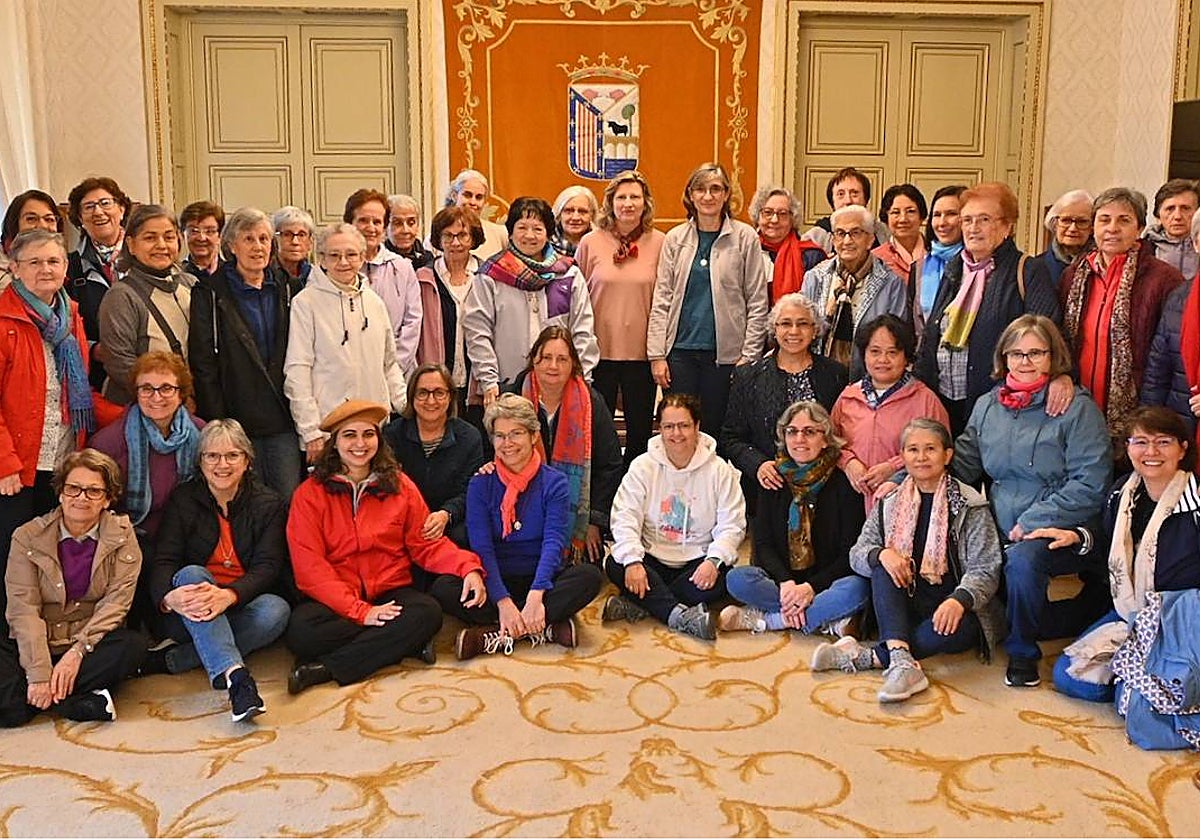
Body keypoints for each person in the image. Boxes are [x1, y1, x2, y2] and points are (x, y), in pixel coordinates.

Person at [949, 315, 1112, 688]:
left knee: (1022, 562)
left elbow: (1091, 482)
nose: (1025, 362)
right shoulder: (988, 406)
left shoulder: (1076, 408)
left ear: (1053, 357)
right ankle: (1080, 613)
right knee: (998, 597)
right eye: (1016, 353)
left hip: (1067, 523)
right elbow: (962, 463)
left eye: (1035, 353)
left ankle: (1023, 654)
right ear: (1003, 358)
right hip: (1004, 521)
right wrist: (907, 475)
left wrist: (1037, 518)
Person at [284, 400, 486, 694]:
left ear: (379, 440)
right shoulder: (309, 495)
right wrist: (361, 611)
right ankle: (404, 643)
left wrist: (467, 567)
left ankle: (324, 669)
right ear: (335, 443)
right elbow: (310, 570)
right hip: (339, 597)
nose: (360, 444)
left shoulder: (400, 485)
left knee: (428, 613)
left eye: (368, 434)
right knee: (301, 632)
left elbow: (425, 544)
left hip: (391, 591)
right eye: (349, 435)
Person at [812, 418, 1005, 703]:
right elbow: (858, 553)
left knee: (947, 633)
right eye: (913, 450)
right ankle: (901, 661)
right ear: (902, 457)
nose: (922, 457)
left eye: (931, 449)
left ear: (947, 455)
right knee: (882, 563)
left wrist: (959, 600)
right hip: (906, 597)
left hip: (954, 604)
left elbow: (986, 567)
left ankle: (869, 656)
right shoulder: (890, 501)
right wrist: (882, 554)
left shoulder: (970, 505)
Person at [430, 394, 604, 659]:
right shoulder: (481, 482)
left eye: (516, 434)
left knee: (589, 577)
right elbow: (482, 547)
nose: (507, 444)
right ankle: (542, 627)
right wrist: (502, 600)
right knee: (443, 587)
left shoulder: (554, 481)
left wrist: (536, 595)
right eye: (499, 436)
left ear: (533, 435)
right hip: (496, 576)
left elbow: (554, 543)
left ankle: (491, 634)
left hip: (541, 578)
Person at [1052, 407, 1200, 703]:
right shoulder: (1123, 492)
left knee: (1138, 693)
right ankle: (1141, 682)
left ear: (1182, 449)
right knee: (1070, 676)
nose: (1151, 451)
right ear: (1128, 448)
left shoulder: (1195, 503)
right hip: (1131, 611)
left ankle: (1144, 684)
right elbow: (1106, 539)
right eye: (1141, 442)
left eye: (1163, 442)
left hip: (1184, 621)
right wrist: (1077, 536)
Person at [145, 420, 290, 722]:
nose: (221, 464)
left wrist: (229, 595)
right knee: (193, 574)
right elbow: (164, 560)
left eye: (232, 456)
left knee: (276, 611)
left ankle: (176, 659)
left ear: (247, 460)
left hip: (239, 603)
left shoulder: (269, 503)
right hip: (189, 611)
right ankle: (238, 678)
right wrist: (168, 599)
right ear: (200, 462)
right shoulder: (184, 499)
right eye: (212, 456)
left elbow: (268, 566)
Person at [1, 449, 146, 726]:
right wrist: (40, 673)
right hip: (38, 638)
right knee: (10, 713)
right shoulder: (27, 536)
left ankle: (51, 696)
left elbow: (116, 605)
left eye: (93, 491)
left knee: (132, 646)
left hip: (89, 641)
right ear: (60, 494)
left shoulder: (123, 537)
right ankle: (74, 701)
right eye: (74, 489)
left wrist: (77, 652)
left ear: (107, 500)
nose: (81, 497)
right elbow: (24, 610)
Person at [914, 181, 1064, 435]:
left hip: (1000, 403)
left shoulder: (1027, 270)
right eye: (967, 220)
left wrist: (1061, 376)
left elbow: (1047, 335)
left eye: (984, 219)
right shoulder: (955, 269)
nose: (973, 228)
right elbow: (933, 333)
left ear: (1006, 226)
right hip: (945, 400)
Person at [0, 230, 97, 618]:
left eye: (53, 261)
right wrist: (5, 463)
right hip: (17, 466)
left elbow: (79, 389)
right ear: (15, 269)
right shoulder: (4, 318)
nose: (45, 269)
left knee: (48, 559)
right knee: (13, 563)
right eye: (35, 262)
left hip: (62, 458)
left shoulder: (68, 315)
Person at [719, 400, 868, 637]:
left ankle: (772, 620)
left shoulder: (843, 485)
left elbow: (848, 554)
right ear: (783, 436)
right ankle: (825, 620)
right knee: (737, 579)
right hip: (783, 584)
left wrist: (811, 588)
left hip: (825, 583)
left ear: (825, 438)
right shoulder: (773, 479)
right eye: (792, 431)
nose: (800, 439)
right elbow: (763, 545)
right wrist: (786, 582)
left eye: (810, 432)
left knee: (858, 588)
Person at [603, 394, 746, 640]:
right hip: (652, 558)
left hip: (697, 562)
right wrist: (634, 562)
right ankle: (678, 615)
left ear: (697, 427)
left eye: (684, 426)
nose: (676, 434)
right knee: (616, 564)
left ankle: (642, 604)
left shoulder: (720, 470)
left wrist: (713, 561)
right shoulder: (642, 466)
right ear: (659, 429)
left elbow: (732, 525)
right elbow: (624, 516)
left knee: (727, 577)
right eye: (668, 426)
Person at [190, 207, 304, 497]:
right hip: (236, 417)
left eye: (264, 239)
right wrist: (217, 422)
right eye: (249, 239)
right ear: (231, 245)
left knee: (286, 500)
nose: (258, 247)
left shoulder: (289, 289)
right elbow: (203, 364)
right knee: (242, 501)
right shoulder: (210, 293)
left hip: (283, 419)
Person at [647, 162, 768, 434]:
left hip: (725, 357)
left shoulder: (745, 237)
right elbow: (662, 299)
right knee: (678, 430)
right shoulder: (675, 239)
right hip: (679, 354)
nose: (708, 196)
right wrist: (656, 355)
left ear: (727, 194)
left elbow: (757, 302)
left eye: (715, 189)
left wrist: (748, 357)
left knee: (716, 431)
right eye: (700, 189)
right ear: (690, 195)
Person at [1059, 187, 1185, 447]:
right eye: (1104, 219)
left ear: (1139, 229)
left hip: (1140, 406)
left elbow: (1174, 350)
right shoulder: (1073, 275)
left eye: (1124, 220)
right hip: (1078, 402)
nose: (1112, 228)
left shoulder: (1164, 279)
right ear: (1093, 227)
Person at [91, 350, 203, 628]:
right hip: (134, 538)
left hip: (186, 534)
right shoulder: (109, 443)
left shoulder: (202, 435)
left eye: (166, 388)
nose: (156, 397)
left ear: (181, 392)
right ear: (135, 392)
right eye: (147, 388)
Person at [283, 223, 407, 466]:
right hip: (328, 432)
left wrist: (405, 406)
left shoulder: (374, 302)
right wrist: (310, 431)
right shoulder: (306, 303)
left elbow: (389, 364)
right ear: (321, 259)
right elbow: (297, 370)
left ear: (362, 257)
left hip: (373, 431)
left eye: (351, 254)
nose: (343, 262)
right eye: (334, 255)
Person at [463, 196, 600, 406]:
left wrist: (581, 378)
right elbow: (478, 332)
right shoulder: (491, 275)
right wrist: (489, 380)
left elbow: (583, 331)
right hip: (506, 386)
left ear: (548, 233)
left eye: (537, 229)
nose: (530, 235)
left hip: (560, 386)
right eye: (522, 227)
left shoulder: (567, 274)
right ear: (510, 232)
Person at [720, 293, 848, 510]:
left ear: (815, 329)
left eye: (803, 324)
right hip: (768, 490)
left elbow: (842, 434)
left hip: (824, 492)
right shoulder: (748, 377)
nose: (794, 331)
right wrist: (757, 464)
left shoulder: (836, 374)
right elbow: (731, 437)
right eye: (786, 324)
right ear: (774, 329)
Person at [575, 170, 665, 465]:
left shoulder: (662, 243)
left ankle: (636, 493)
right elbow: (577, 299)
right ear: (610, 203)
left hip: (642, 354)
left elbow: (666, 299)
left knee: (640, 431)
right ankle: (604, 496)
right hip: (599, 354)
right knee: (600, 431)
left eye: (635, 197)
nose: (628, 203)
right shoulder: (590, 242)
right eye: (621, 197)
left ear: (645, 203)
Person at [515, 327, 623, 563]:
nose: (553, 366)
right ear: (534, 360)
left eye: (562, 359)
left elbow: (611, 466)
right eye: (546, 358)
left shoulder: (591, 402)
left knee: (587, 571)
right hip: (521, 511)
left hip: (575, 520)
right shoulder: (514, 398)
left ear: (573, 363)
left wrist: (593, 521)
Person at [831, 315, 949, 511]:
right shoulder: (848, 396)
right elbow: (830, 440)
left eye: (892, 352)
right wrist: (848, 462)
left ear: (906, 357)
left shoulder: (925, 399)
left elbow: (941, 450)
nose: (882, 360)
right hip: (850, 499)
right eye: (875, 351)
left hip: (905, 500)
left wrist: (893, 467)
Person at [97, 204, 194, 405]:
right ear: (131, 245)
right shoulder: (121, 297)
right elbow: (120, 363)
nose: (161, 245)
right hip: (143, 407)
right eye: (150, 238)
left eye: (168, 237)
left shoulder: (192, 285)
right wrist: (169, 397)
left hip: (190, 406)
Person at [383, 364, 484, 550]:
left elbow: (468, 490)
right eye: (422, 393)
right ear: (412, 396)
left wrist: (446, 514)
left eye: (439, 393)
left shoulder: (470, 437)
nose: (431, 401)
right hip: (402, 519)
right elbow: (386, 486)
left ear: (451, 396)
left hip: (449, 520)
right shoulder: (391, 435)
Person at [800, 204, 907, 377]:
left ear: (870, 239)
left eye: (856, 233)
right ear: (833, 240)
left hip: (870, 380)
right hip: (819, 377)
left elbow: (896, 340)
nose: (847, 241)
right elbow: (802, 329)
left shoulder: (891, 283)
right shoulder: (815, 278)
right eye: (841, 234)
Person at [344, 188, 422, 375]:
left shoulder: (402, 267)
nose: (371, 228)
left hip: (398, 373)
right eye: (363, 220)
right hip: (350, 370)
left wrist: (392, 369)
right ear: (350, 224)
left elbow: (412, 322)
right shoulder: (337, 269)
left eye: (377, 222)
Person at [66, 177, 133, 390]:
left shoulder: (143, 256)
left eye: (106, 203)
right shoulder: (70, 266)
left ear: (121, 209)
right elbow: (64, 327)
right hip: (95, 379)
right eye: (89, 207)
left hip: (149, 371)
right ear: (80, 218)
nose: (98, 212)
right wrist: (94, 349)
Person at [414, 206, 483, 411]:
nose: (455, 243)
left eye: (462, 235)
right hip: (435, 383)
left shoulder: (487, 277)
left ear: (473, 238)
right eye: (448, 236)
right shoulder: (423, 278)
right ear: (438, 239)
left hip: (476, 381)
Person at [1142, 209, 1200, 437]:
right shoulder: (1179, 297)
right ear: (1196, 243)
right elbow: (1157, 372)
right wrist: (1150, 432)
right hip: (1182, 432)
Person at [749, 184, 826, 305]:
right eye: (767, 212)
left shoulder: (811, 256)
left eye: (783, 214)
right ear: (757, 217)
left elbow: (819, 305)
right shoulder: (746, 253)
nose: (774, 220)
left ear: (792, 219)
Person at [910, 185, 966, 337]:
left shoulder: (977, 266)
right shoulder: (919, 268)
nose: (942, 222)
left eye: (951, 214)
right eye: (937, 215)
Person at [800, 167, 890, 252]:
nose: (848, 201)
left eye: (854, 193)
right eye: (840, 194)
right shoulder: (816, 236)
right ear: (832, 201)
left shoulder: (883, 233)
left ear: (865, 199)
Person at [1026, 190, 1094, 290]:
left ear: (1092, 228)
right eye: (1066, 220)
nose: (1072, 228)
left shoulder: (1101, 268)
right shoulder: (1035, 269)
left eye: (1082, 221)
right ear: (1055, 224)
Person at [1, 189, 64, 291]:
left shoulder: (64, 265)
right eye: (31, 219)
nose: (42, 226)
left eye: (49, 219)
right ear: (14, 224)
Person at [444, 168, 509, 258]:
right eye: (467, 195)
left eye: (479, 197)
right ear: (454, 196)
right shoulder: (440, 233)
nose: (473, 202)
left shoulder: (500, 234)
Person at [1142, 179, 1199, 279]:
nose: (1177, 216)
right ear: (1158, 214)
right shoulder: (1144, 249)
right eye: (1170, 209)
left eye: (1185, 208)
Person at [872, 183, 928, 282]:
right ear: (886, 218)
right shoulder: (876, 258)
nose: (903, 219)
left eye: (910, 211)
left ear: (921, 216)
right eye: (895, 212)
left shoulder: (936, 253)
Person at [180, 201, 225, 284]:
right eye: (194, 231)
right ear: (183, 235)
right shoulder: (176, 278)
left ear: (220, 236)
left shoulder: (234, 275)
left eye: (209, 231)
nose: (201, 238)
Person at [384, 194, 432, 270]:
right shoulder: (379, 261)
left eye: (411, 223)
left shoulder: (428, 260)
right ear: (385, 227)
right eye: (397, 223)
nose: (405, 230)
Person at [549, 185, 598, 257]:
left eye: (582, 211)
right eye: (569, 211)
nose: (575, 217)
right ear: (559, 214)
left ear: (592, 215)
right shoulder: (543, 243)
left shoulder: (602, 243)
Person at [271, 205, 315, 285]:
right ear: (275, 239)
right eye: (287, 234)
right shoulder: (264, 277)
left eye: (301, 235)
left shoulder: (317, 277)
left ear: (310, 241)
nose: (295, 242)